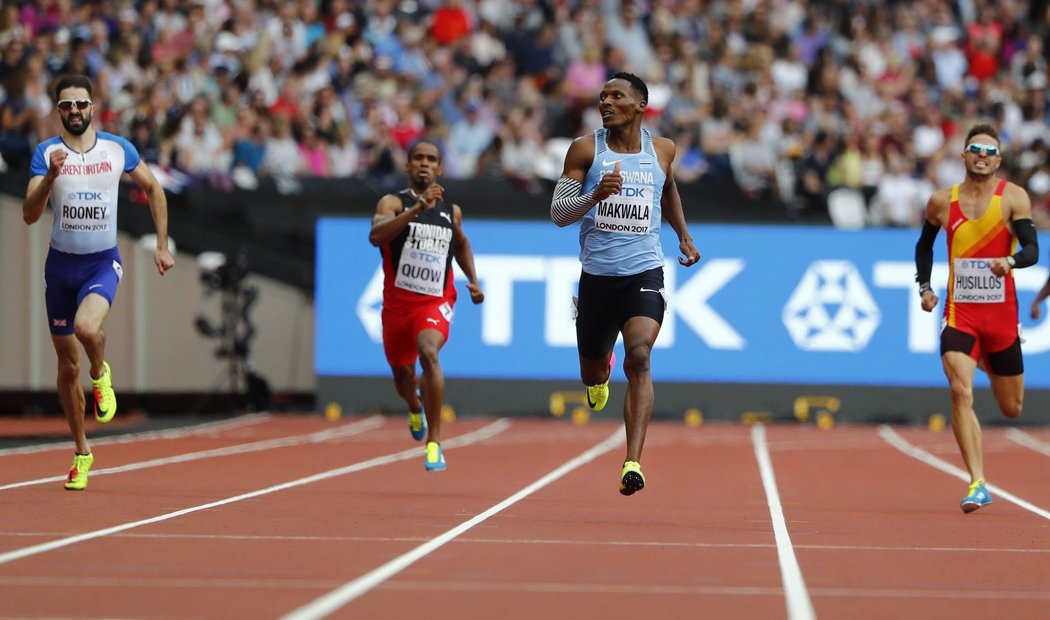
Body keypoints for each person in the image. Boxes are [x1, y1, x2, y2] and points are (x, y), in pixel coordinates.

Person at [550, 72, 701, 496]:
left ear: (640, 105)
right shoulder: (585, 149)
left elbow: (667, 187)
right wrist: (593, 196)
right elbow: (559, 214)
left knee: (640, 355)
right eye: (602, 96)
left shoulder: (664, 150)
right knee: (592, 369)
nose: (606, 102)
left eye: (617, 95)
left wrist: (683, 235)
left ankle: (632, 461)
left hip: (644, 272)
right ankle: (600, 379)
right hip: (597, 279)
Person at [22, 75, 175, 491]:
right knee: (65, 366)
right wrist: (51, 179)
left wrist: (162, 245)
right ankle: (82, 452)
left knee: (88, 329)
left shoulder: (117, 149)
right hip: (60, 269)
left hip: (101, 263)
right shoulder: (46, 153)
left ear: (93, 107)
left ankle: (100, 372)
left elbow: (154, 188)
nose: (74, 112)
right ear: (58, 111)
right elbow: (30, 214)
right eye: (66, 106)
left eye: (81, 104)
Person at [914, 123, 1039, 513]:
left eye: (989, 152)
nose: (982, 157)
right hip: (960, 313)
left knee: (1012, 408)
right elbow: (924, 246)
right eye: (975, 150)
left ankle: (987, 358)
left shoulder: (1013, 198)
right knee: (959, 391)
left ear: (998, 160)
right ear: (964, 156)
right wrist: (925, 288)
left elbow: (1033, 248)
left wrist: (1011, 260)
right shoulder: (940, 201)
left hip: (1001, 319)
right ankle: (978, 482)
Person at [368, 140, 484, 472]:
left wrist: (473, 279)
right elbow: (377, 236)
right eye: (417, 158)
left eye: (431, 159)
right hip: (397, 308)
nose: (424, 163)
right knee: (404, 377)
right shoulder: (391, 203)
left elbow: (461, 243)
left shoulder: (451, 211)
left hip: (435, 300)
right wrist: (418, 209)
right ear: (407, 167)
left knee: (429, 353)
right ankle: (414, 405)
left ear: (439, 169)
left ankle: (435, 442)